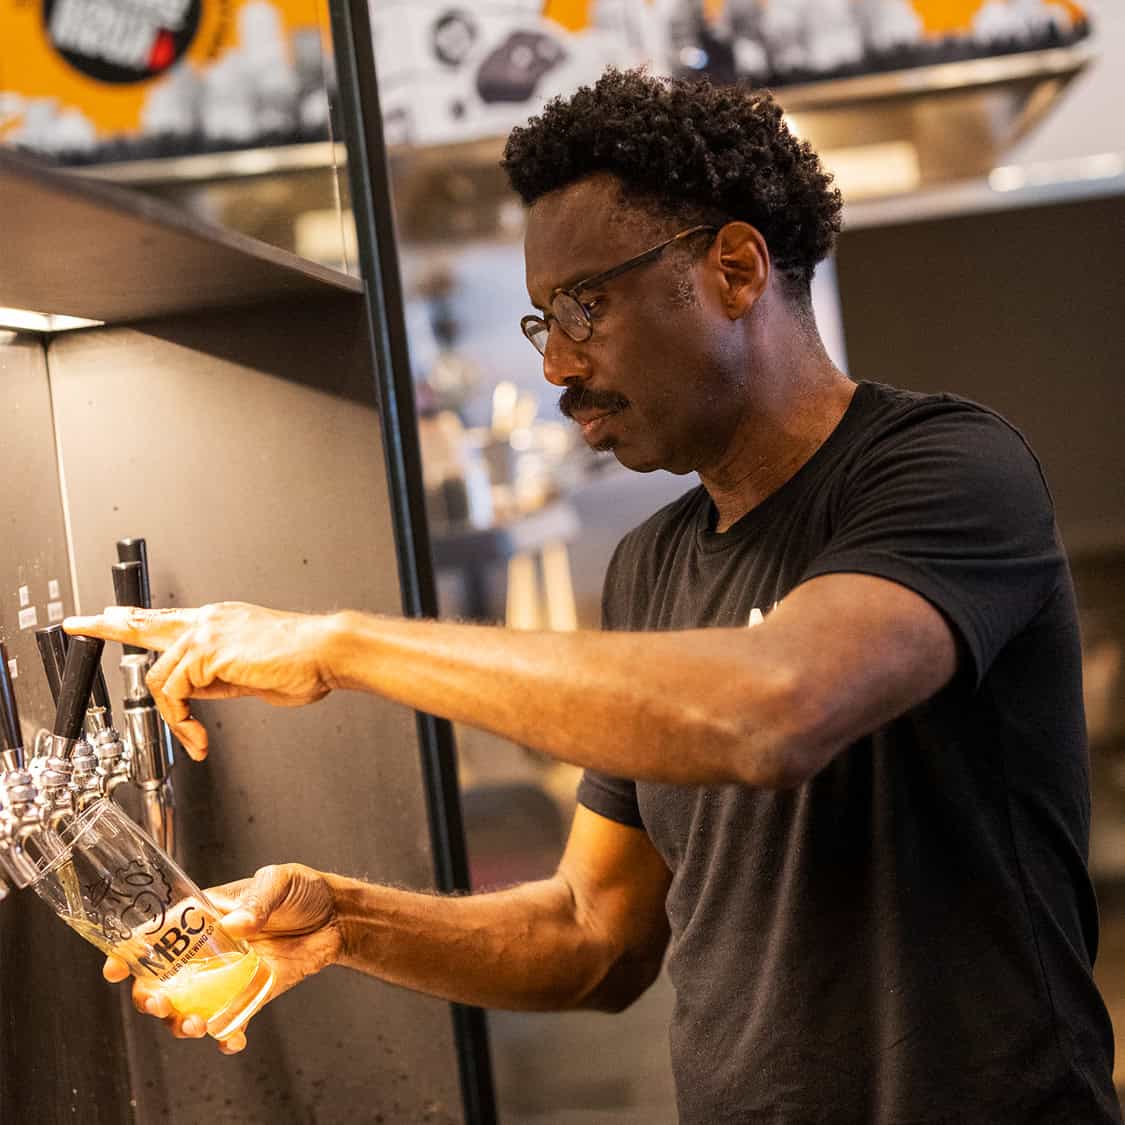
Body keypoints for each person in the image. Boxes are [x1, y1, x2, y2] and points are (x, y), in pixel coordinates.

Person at [66, 68, 1120, 1123]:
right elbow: (591, 936)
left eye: (584, 306)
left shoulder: (944, 468)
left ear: (737, 267)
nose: (558, 365)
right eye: (542, 323)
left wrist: (336, 644)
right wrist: (341, 922)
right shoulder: (653, 566)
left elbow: (768, 710)